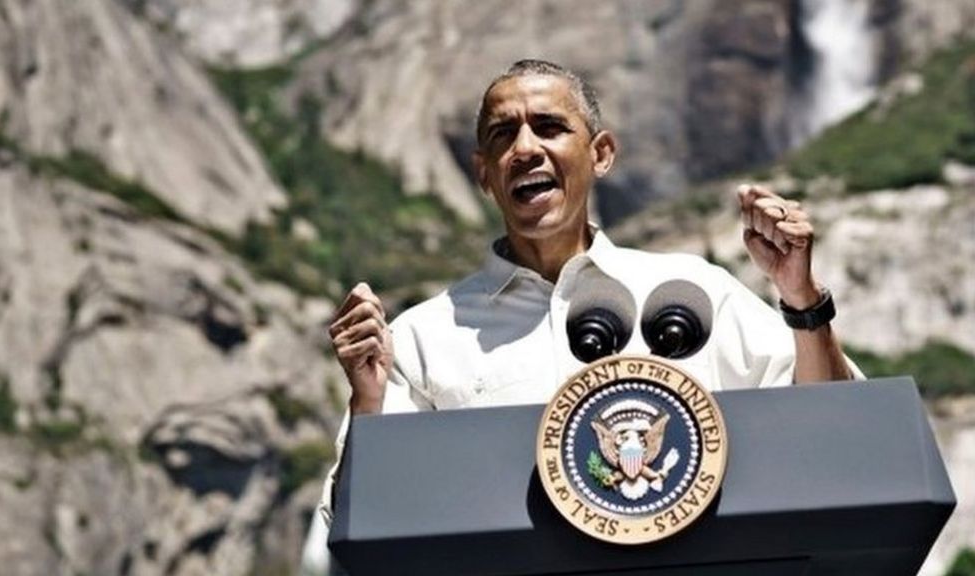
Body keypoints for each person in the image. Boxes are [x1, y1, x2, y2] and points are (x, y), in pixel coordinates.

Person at [316, 59, 857, 530]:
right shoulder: (422, 339)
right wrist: (367, 402)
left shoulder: (695, 293)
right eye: (503, 135)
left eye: (549, 127)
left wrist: (802, 300)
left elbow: (834, 434)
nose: (525, 149)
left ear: (600, 154)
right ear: (483, 173)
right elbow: (360, 525)